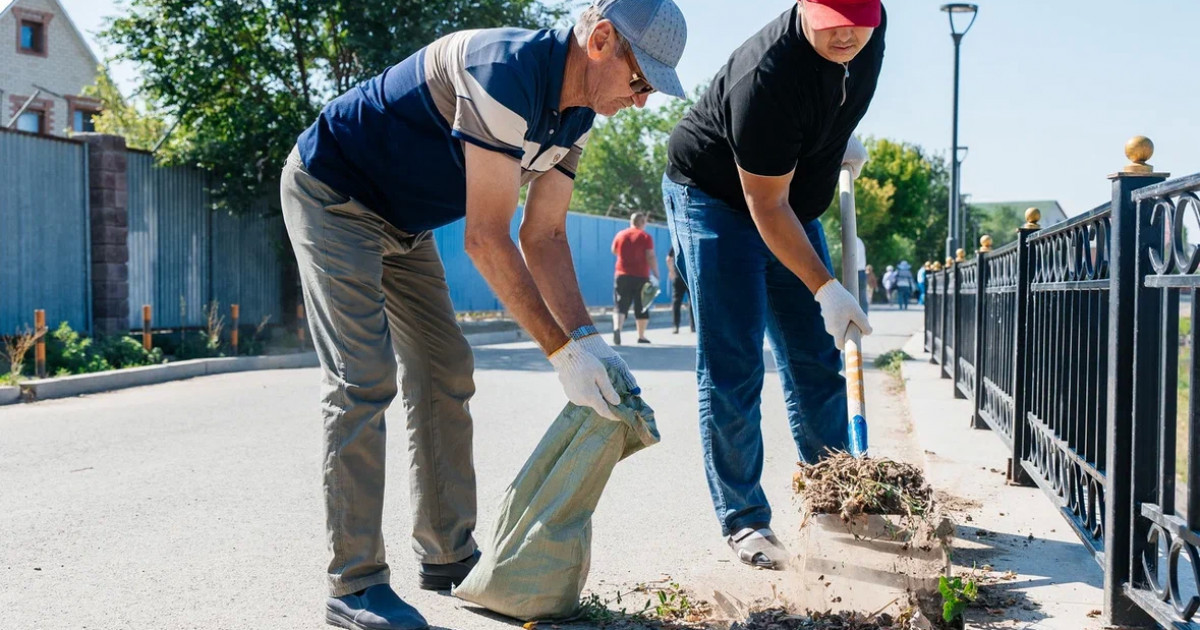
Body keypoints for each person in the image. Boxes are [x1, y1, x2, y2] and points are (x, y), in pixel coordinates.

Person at [281, 1, 688, 628]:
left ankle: (447, 555)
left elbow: (546, 234)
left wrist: (588, 342)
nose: (641, 101)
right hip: (333, 197)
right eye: (640, 81)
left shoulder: (576, 117)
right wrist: (560, 354)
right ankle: (354, 583)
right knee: (363, 378)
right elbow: (486, 238)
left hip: (403, 225)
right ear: (602, 40)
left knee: (447, 366)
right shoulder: (502, 73)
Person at [662, 0, 883, 570]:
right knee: (735, 362)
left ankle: (838, 502)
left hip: (791, 197)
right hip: (716, 199)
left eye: (861, 18)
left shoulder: (868, 37)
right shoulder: (763, 76)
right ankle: (747, 523)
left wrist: (838, 136)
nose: (848, 34)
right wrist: (826, 287)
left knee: (815, 358)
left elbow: (832, 94)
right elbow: (766, 204)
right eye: (834, 20)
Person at [611, 212, 659, 344]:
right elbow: (650, 255)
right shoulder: (645, 236)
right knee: (642, 305)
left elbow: (614, 250)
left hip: (622, 274)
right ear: (642, 223)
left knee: (620, 305)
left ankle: (617, 329)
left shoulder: (620, 235)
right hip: (641, 276)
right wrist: (655, 272)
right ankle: (641, 336)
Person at [666, 246, 695, 333]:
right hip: (690, 276)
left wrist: (672, 272)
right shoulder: (691, 243)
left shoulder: (676, 244)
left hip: (678, 276)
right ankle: (693, 326)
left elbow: (668, 259)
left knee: (676, 301)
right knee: (692, 301)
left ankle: (676, 326)